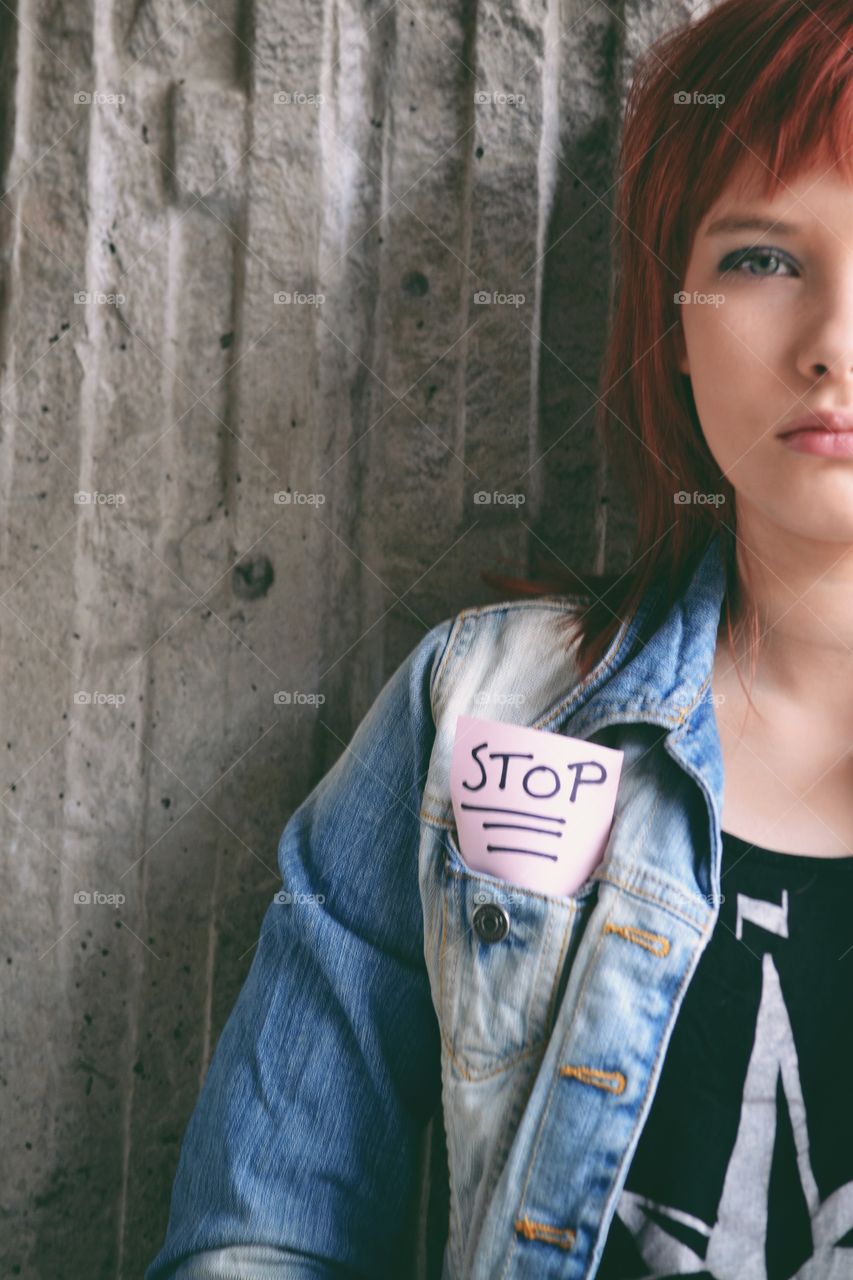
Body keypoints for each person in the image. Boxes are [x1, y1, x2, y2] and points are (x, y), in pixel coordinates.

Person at [145, 0, 853, 1276]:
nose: (833, 344)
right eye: (760, 256)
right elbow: (264, 1233)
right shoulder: (487, 705)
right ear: (673, 314)